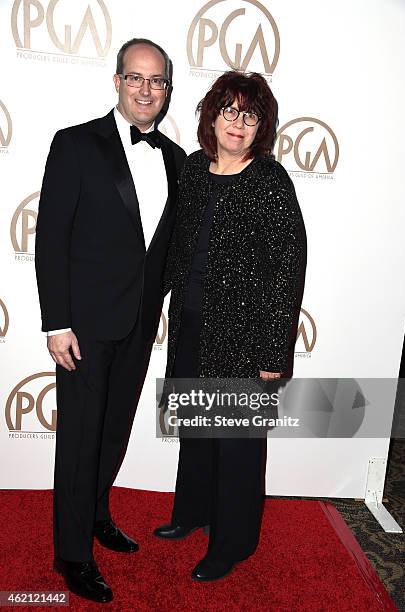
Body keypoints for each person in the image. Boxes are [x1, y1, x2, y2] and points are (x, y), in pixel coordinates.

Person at [35, 38, 186, 603]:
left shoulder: (175, 159)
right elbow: (50, 238)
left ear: (168, 89)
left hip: (139, 324)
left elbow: (170, 246)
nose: (146, 89)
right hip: (83, 326)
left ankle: (96, 513)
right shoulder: (75, 144)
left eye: (157, 81)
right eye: (136, 78)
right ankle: (71, 553)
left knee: (113, 431)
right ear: (118, 81)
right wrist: (57, 322)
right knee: (78, 438)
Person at [154, 71, 307, 582]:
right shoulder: (195, 170)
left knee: (237, 442)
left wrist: (273, 353)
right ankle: (192, 513)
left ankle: (231, 541)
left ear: (261, 124)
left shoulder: (270, 180)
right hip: (192, 324)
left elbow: (288, 267)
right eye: (230, 110)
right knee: (198, 429)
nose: (239, 123)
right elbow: (176, 247)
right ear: (211, 116)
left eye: (251, 113)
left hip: (244, 336)